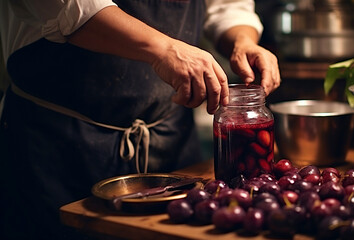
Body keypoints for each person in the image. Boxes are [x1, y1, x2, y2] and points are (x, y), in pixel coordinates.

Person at [0, 0, 281, 239]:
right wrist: (164, 49)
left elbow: (226, 6)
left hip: (170, 136)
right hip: (58, 144)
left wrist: (242, 40)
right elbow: (70, 6)